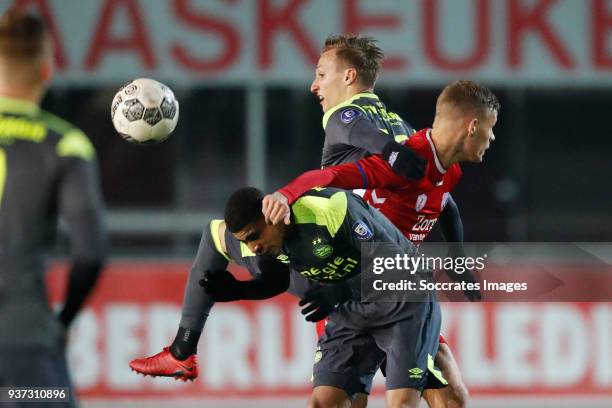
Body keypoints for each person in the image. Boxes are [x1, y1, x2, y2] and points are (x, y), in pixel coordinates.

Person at [0, 9, 106, 407]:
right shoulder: (65, 144)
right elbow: (90, 254)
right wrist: (63, 321)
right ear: (46, 71)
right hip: (26, 349)